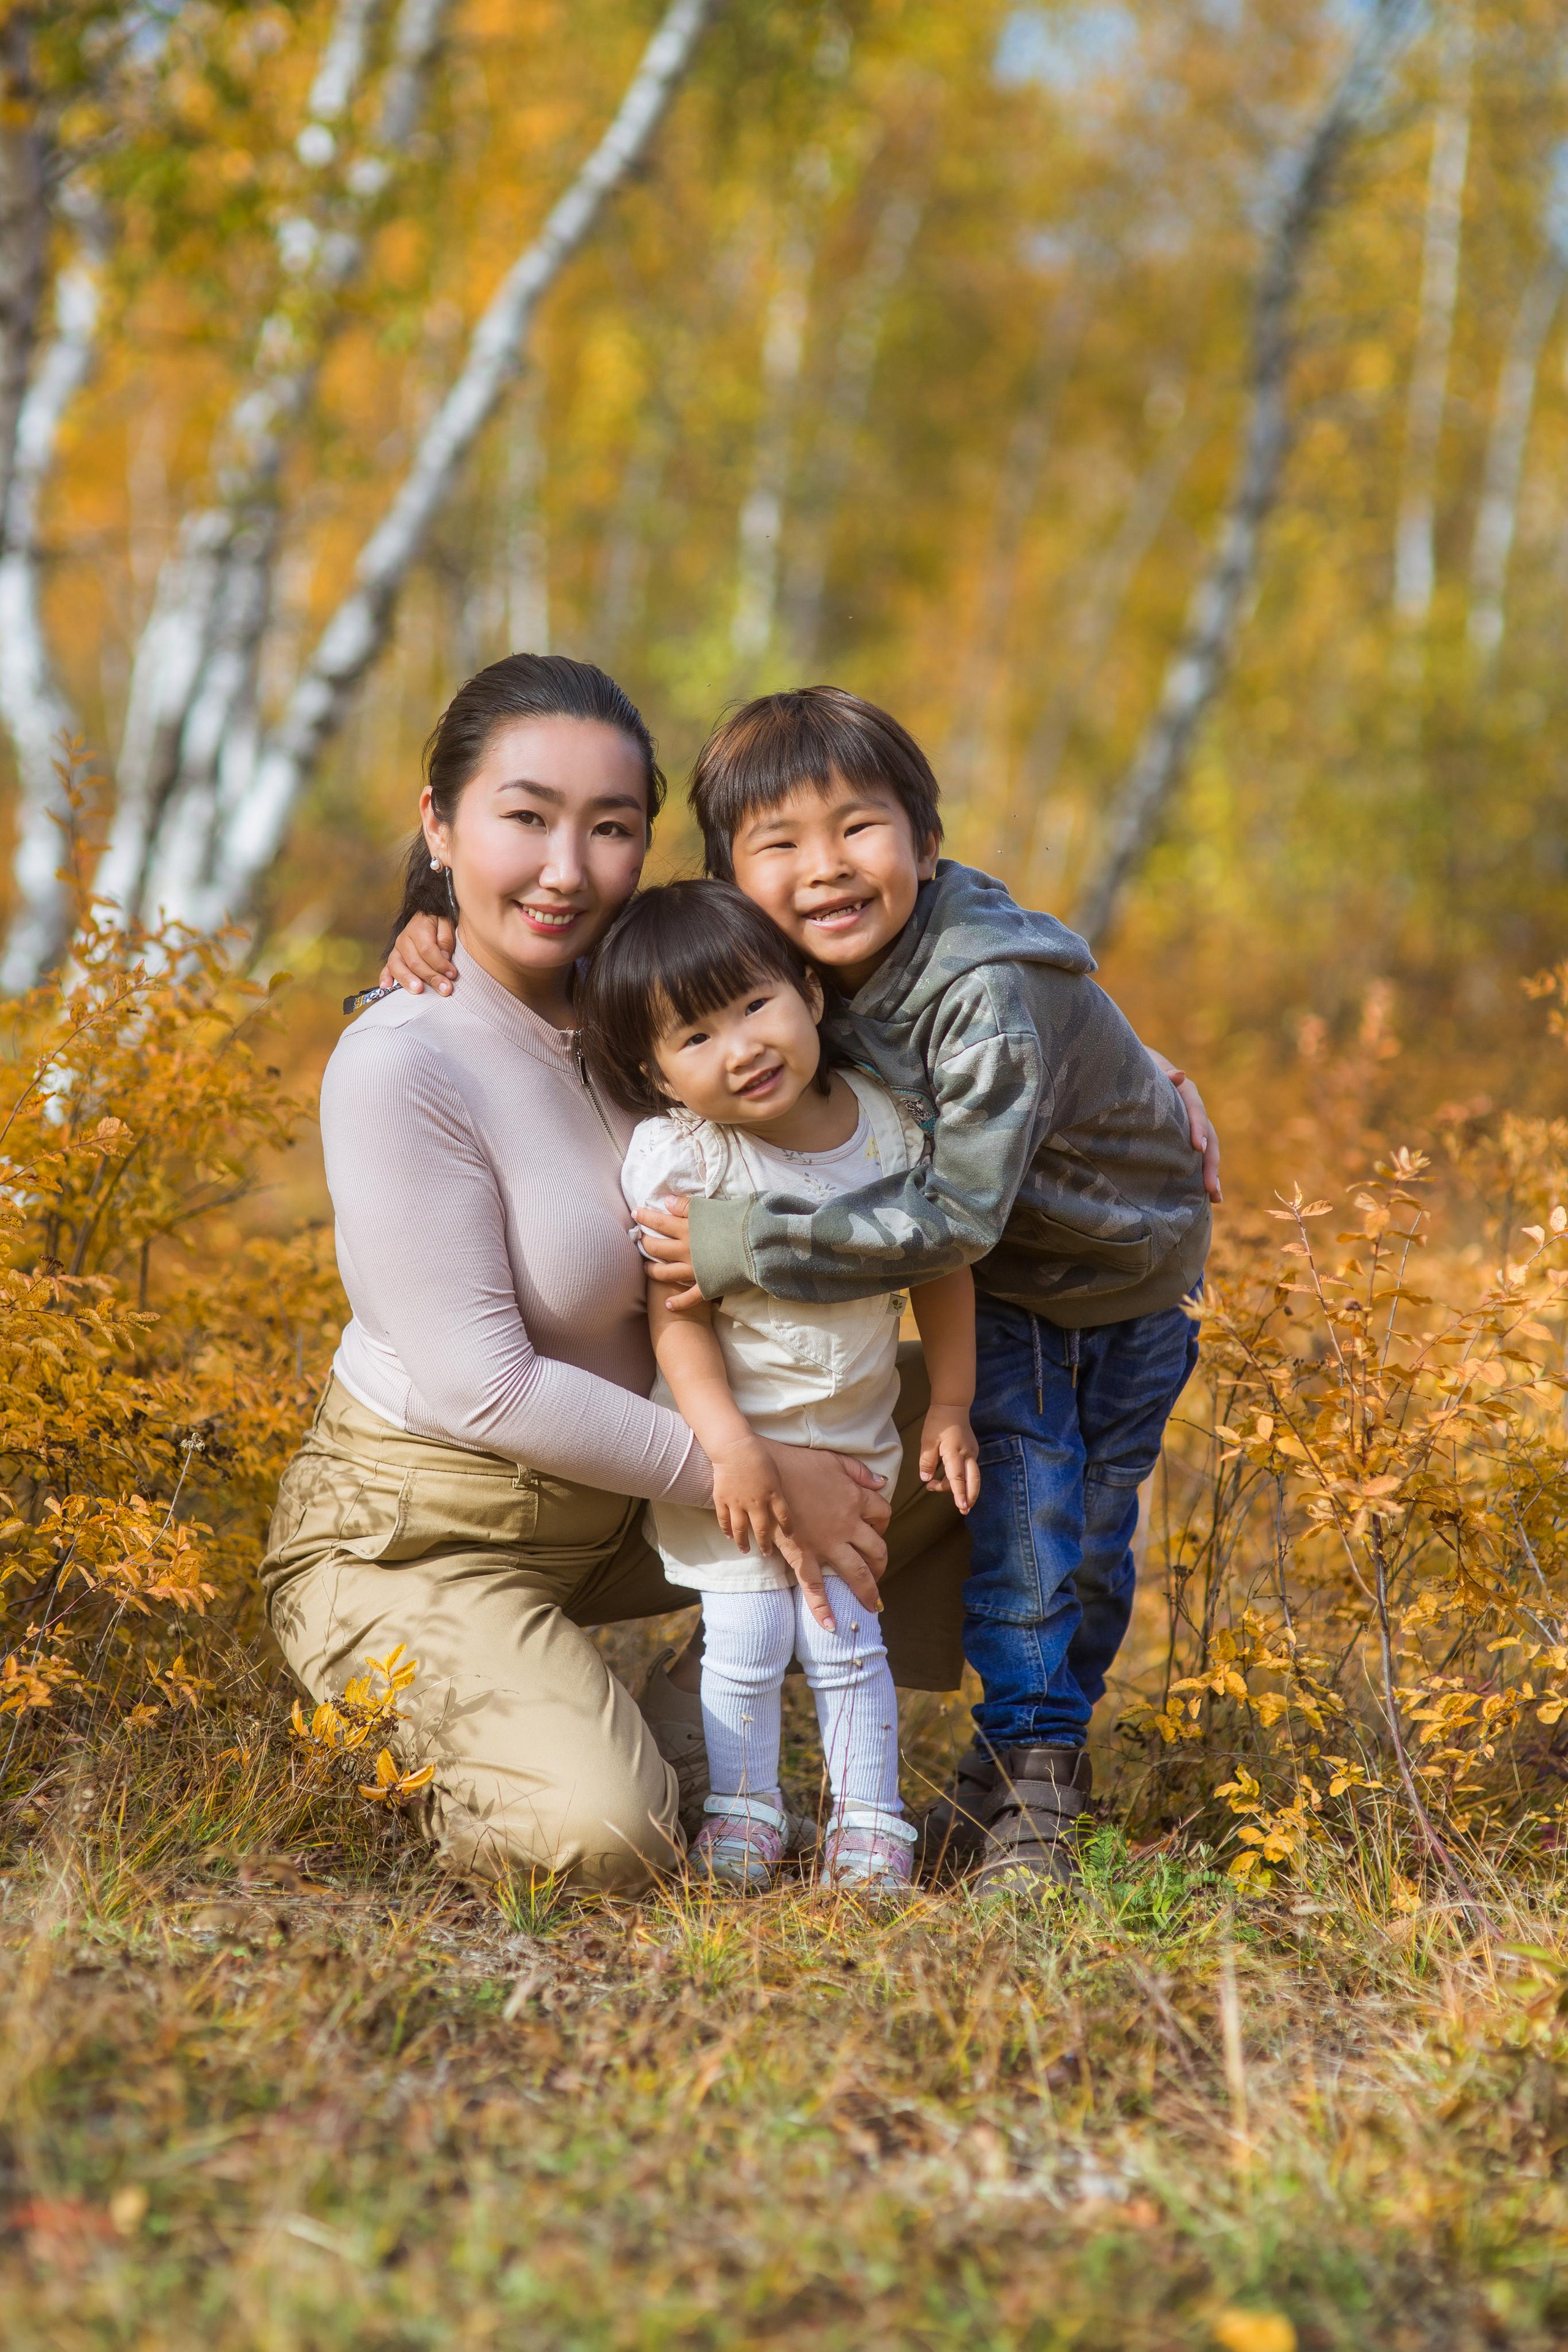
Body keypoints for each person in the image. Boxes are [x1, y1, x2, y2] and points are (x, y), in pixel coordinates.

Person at [382, 685, 1219, 1897]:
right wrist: (425, 917)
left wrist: (739, 1248)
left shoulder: (949, 993)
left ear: (924, 846)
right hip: (934, 1317)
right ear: (733, 877)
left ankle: (1026, 1768)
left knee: (1061, 1529)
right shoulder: (777, 982)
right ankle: (976, 1759)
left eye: (857, 832)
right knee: (1028, 1523)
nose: (822, 869)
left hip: (1098, 1282)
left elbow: (955, 1212)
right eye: (776, 848)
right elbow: (624, 930)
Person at [262, 655, 966, 1901]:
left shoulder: (652, 1003)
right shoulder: (400, 1056)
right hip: (430, 1534)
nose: (565, 870)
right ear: (438, 825)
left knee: (971, 1416)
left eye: (610, 829)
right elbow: (482, 1390)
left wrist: (1118, 1077)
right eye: (523, 818)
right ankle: (621, 1749)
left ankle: (712, 1710)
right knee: (599, 1840)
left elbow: (904, 981)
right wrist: (752, 1471)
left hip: (634, 1503)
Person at [579, 880, 981, 1897]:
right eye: (696, 1036)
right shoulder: (691, 1158)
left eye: (756, 1006)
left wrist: (948, 1404)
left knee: (846, 1632)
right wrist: (729, 1448)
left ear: (808, 988)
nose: (742, 1047)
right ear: (658, 1074)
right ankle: (745, 1812)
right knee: (749, 1634)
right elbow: (680, 1322)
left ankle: (871, 1821)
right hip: (734, 1448)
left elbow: (941, 1264)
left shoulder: (887, 1130)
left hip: (850, 1443)